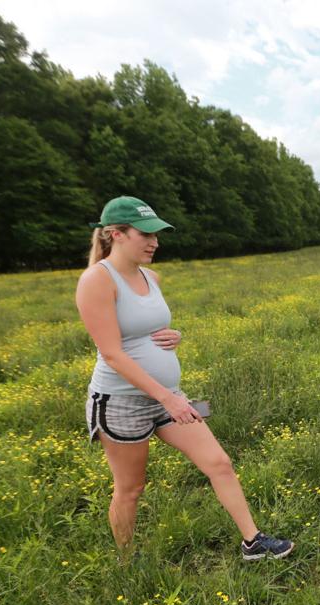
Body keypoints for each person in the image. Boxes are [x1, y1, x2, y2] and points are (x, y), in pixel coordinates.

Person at [76, 196, 293, 562]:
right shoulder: (96, 281)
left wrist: (173, 336)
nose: (155, 242)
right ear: (116, 234)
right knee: (131, 489)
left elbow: (144, 327)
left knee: (219, 463)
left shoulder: (151, 277)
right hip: (122, 403)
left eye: (156, 235)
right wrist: (168, 398)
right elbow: (112, 353)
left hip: (167, 396)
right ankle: (126, 562)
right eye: (146, 234)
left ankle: (253, 541)